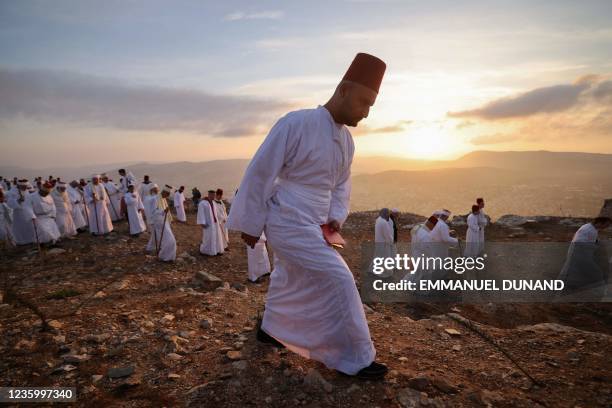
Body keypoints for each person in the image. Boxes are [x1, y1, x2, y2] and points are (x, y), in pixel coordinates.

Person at [226, 53, 388, 379]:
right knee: (340, 278)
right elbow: (261, 172)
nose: (366, 112)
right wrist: (251, 223)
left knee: (290, 277)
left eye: (371, 105)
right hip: (286, 218)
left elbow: (341, 185)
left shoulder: (347, 141)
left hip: (317, 222)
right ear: (343, 90)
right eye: (363, 102)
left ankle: (271, 330)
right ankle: (356, 356)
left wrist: (335, 218)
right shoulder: (295, 123)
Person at [558, 216, 611, 298]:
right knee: (597, 274)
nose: (605, 227)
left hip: (579, 255)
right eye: (605, 225)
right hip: (581, 255)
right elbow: (581, 244)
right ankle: (600, 295)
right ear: (600, 223)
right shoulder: (589, 230)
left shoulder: (590, 228)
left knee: (569, 272)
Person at [144, 185, 176, 261]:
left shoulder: (163, 198)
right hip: (158, 223)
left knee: (164, 239)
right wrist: (163, 211)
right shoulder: (155, 199)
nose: (168, 196)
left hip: (164, 222)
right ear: (164, 192)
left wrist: (167, 216)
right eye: (167, 194)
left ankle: (165, 255)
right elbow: (153, 212)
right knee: (168, 240)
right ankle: (164, 256)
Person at [7, 180, 35, 245]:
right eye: (23, 186)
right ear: (19, 186)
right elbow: (9, 203)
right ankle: (20, 242)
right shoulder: (12, 192)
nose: (25, 188)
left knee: (29, 228)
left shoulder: (27, 192)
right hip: (18, 214)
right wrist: (18, 201)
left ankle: (30, 241)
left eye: (26, 186)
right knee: (19, 229)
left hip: (28, 213)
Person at [197, 190, 224, 256]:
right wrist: (202, 222)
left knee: (216, 236)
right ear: (209, 194)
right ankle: (205, 251)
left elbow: (216, 213)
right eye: (213, 195)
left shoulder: (214, 203)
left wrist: (222, 219)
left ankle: (216, 250)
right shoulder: (203, 203)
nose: (214, 196)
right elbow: (201, 213)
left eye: (214, 195)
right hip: (208, 223)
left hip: (215, 223)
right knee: (208, 237)